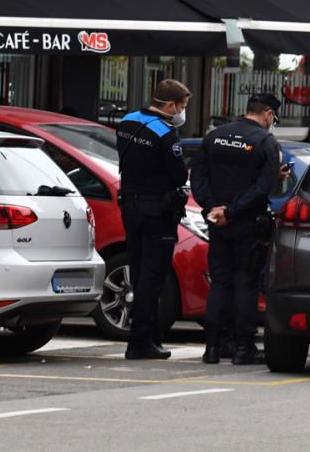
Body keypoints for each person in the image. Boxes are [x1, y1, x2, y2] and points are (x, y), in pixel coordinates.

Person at [191, 93, 282, 365]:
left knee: (219, 283)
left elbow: (198, 177)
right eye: (273, 118)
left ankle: (213, 348)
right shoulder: (266, 142)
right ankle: (244, 348)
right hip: (246, 223)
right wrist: (232, 211)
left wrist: (213, 208)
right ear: (267, 113)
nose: (272, 123)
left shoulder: (214, 136)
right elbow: (262, 188)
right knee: (246, 283)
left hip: (217, 222)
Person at [116, 79, 192, 360]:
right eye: (182, 106)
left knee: (138, 271)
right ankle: (141, 341)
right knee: (153, 275)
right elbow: (178, 176)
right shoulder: (165, 132)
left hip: (130, 206)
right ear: (170, 105)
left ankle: (144, 337)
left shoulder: (126, 121)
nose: (183, 112)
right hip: (156, 211)